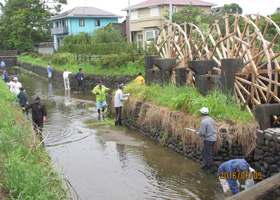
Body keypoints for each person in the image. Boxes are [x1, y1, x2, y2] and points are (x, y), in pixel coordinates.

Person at [194, 107, 217, 174]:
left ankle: (212, 169)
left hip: (208, 140)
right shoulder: (211, 119)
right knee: (204, 152)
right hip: (213, 138)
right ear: (208, 113)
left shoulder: (203, 122)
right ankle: (205, 165)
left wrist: (196, 133)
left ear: (201, 113)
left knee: (207, 155)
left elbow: (202, 133)